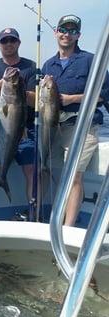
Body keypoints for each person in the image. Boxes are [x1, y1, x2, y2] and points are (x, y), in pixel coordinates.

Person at [28, 15, 109, 226]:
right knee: (44, 170)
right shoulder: (48, 65)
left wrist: (72, 98)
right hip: (53, 127)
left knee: (74, 176)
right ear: (56, 32)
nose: (67, 34)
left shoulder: (91, 60)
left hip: (81, 127)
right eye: (63, 30)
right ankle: (34, 216)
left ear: (78, 36)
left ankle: (68, 226)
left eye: (72, 31)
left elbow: (104, 94)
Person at [0, 28, 36, 220]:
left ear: (19, 43)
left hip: (23, 128)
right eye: (5, 41)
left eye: (12, 40)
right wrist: (5, 83)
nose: (9, 44)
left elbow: (36, 101)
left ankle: (34, 213)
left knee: (31, 169)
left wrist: (17, 86)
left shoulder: (31, 66)